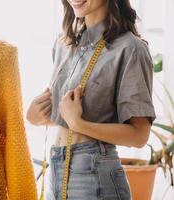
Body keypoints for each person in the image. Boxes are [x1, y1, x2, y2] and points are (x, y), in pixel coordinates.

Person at [27, 0, 156, 199]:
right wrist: (37, 116)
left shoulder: (130, 49)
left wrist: (78, 123)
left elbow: (139, 136)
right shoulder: (64, 44)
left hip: (94, 175)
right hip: (55, 171)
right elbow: (74, 113)